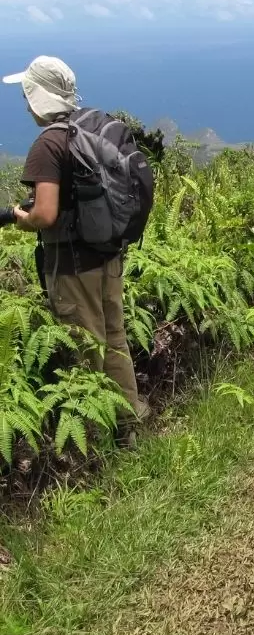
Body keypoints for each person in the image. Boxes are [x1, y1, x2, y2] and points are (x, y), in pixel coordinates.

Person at [4, 55, 148, 447]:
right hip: (108, 253)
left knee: (84, 348)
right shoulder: (93, 124)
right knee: (114, 338)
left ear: (37, 97)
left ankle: (94, 441)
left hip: (71, 265)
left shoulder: (48, 143)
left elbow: (45, 214)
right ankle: (128, 425)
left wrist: (19, 217)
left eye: (26, 94)